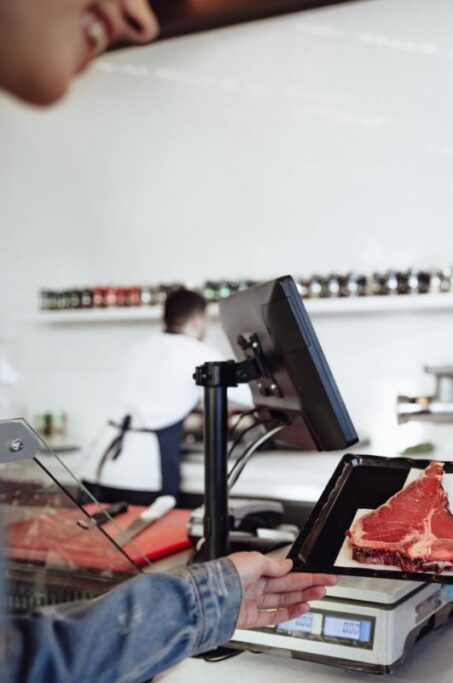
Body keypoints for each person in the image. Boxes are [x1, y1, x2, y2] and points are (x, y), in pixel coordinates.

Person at [0, 3, 337, 682]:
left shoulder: (138, 347)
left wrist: (205, 603)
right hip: (143, 466)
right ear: (196, 321)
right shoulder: (189, 353)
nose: (141, 20)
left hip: (104, 458)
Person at [81, 288, 251, 506]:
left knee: (102, 527)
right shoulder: (198, 353)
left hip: (99, 464)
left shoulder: (138, 348)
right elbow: (251, 398)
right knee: (149, 528)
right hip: (143, 474)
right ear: (197, 320)